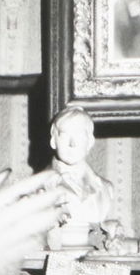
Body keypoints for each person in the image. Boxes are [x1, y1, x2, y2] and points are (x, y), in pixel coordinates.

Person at [44, 105, 117, 250]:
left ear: (90, 141)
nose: (72, 143)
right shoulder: (40, 186)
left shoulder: (106, 188)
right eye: (64, 134)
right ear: (53, 140)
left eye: (79, 135)